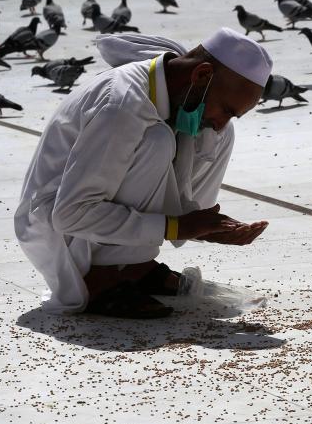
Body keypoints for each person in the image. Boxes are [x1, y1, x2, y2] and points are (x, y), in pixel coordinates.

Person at [14, 28, 272, 318]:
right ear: (200, 75)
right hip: (57, 226)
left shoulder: (172, 87)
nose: (221, 121)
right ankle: (101, 276)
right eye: (226, 109)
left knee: (215, 132)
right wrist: (178, 226)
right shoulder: (120, 105)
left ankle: (136, 266)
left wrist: (206, 227)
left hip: (82, 217)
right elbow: (71, 213)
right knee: (157, 140)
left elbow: (208, 131)